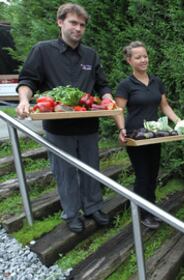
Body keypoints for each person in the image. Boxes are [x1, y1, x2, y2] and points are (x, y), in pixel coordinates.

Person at [16, 3, 113, 233]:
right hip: (59, 128)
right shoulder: (42, 50)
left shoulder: (91, 54)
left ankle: (93, 207)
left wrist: (108, 100)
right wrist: (23, 100)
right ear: (60, 22)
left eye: (82, 25)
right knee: (64, 171)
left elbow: (102, 85)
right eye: (73, 23)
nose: (78, 28)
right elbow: (28, 80)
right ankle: (71, 213)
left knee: (91, 168)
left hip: (88, 124)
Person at [114, 41, 181, 229]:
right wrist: (121, 130)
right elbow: (118, 110)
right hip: (135, 137)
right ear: (129, 60)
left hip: (154, 135)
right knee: (142, 175)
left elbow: (165, 106)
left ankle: (151, 208)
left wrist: (180, 123)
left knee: (152, 173)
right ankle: (143, 213)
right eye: (138, 57)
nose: (143, 60)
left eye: (145, 56)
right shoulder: (125, 85)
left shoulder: (156, 81)